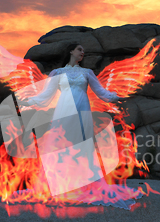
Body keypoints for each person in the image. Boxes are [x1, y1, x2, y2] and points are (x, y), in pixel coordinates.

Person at [19, 43, 127, 193]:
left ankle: (83, 184)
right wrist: (29, 101)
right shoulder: (57, 73)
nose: (83, 52)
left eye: (84, 50)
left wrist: (115, 97)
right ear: (71, 51)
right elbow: (46, 95)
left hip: (82, 110)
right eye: (80, 49)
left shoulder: (87, 72)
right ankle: (62, 184)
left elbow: (101, 92)